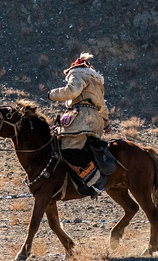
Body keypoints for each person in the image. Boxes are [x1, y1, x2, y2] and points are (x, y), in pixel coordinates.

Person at [48, 52, 114, 198]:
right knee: (83, 149)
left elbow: (72, 91)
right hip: (95, 121)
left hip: (81, 119)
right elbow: (102, 106)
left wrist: (52, 94)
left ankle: (95, 180)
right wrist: (106, 124)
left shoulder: (77, 74)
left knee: (68, 149)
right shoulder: (97, 83)